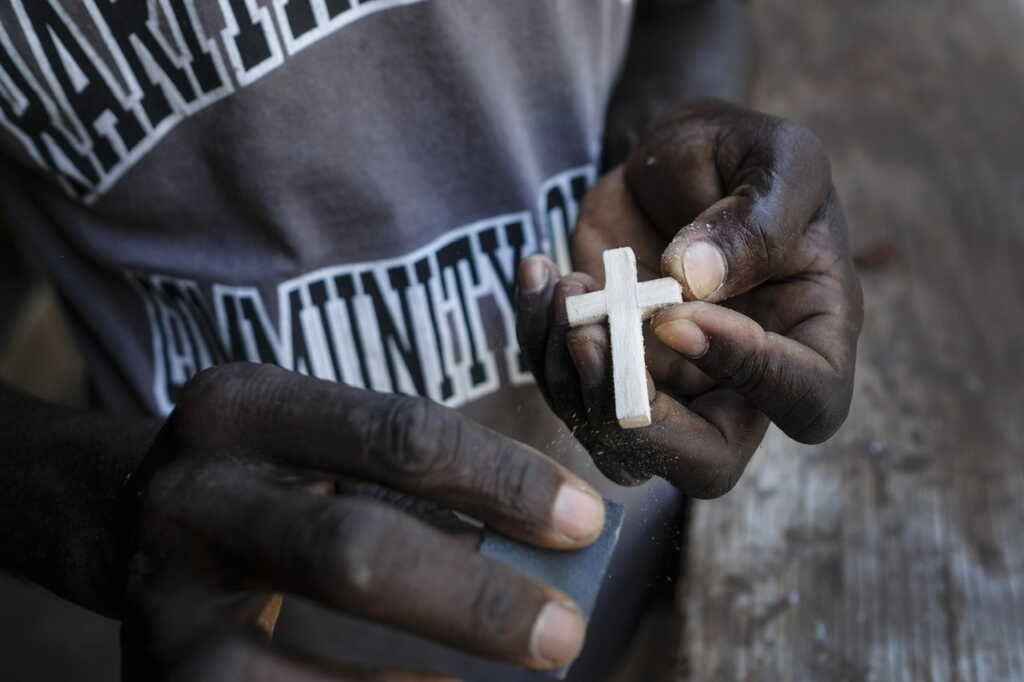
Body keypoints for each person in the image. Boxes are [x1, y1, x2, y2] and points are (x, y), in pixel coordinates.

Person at [0, 1, 862, 680]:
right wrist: (101, 503)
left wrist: (661, 132)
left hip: (622, 557)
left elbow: (687, 8)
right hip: (230, 614)